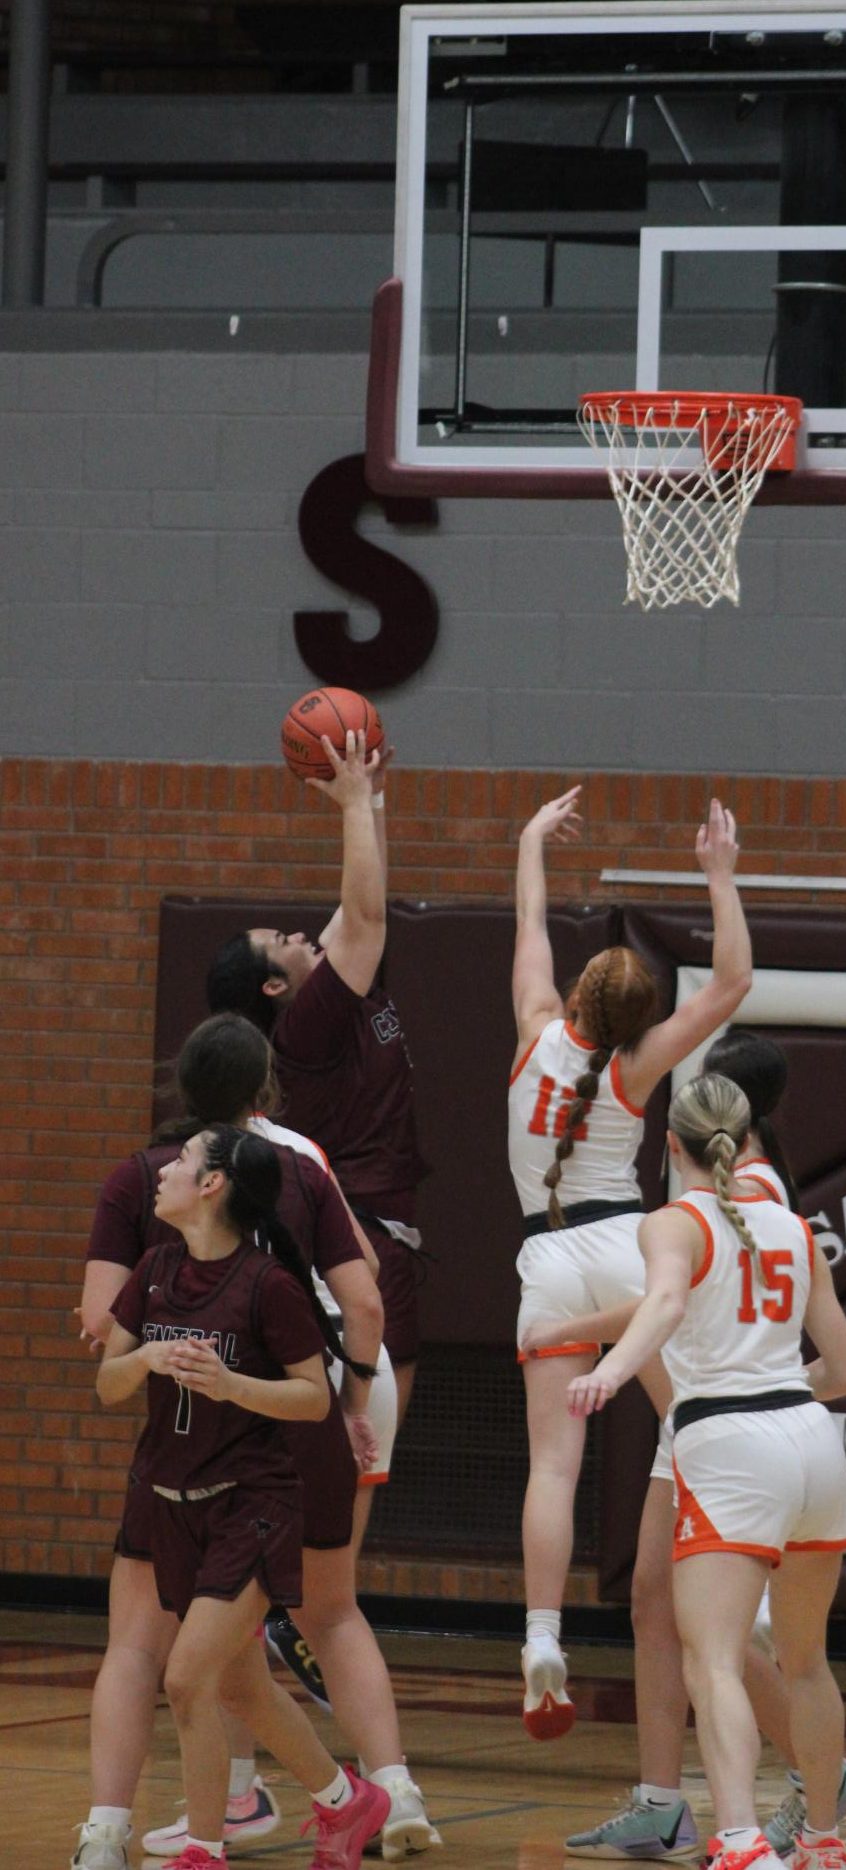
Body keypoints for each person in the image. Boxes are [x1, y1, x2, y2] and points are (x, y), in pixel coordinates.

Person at [73, 1016, 439, 1870]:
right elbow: (368, 1304)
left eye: (184, 1166)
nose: (171, 1171)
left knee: (163, 1657)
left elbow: (96, 1320)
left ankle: (133, 1830)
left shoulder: (230, 1242)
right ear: (262, 1084)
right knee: (258, 1653)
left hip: (257, 1462)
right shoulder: (287, 1178)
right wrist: (360, 1401)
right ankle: (363, 1793)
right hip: (187, 1471)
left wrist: (267, 1387)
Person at [527, 1032, 846, 1860]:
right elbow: (841, 1366)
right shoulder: (784, 1218)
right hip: (795, 1429)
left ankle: (749, 1829)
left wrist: (605, 1369)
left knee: (709, 1648)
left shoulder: (711, 1205)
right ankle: (728, 1813)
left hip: (720, 1424)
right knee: (662, 1599)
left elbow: (671, 1301)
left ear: (674, 1139)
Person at [509, 787, 751, 1739]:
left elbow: (529, 922)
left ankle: (539, 1637)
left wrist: (530, 839)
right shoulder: (635, 1067)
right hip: (625, 1246)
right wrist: (719, 876)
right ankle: (749, 1601)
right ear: (640, 1018)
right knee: (693, 1420)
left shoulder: (532, 1030)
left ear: (575, 997)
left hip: (545, 1257)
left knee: (552, 1469)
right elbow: (732, 984)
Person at [206, 729, 425, 1445]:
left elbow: (368, 902)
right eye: (285, 941)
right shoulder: (306, 1028)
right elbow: (364, 918)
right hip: (360, 1248)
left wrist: (372, 799)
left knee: (363, 1463)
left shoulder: (320, 989)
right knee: (352, 1461)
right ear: (275, 984)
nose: (304, 935)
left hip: (386, 1241)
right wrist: (354, 802)